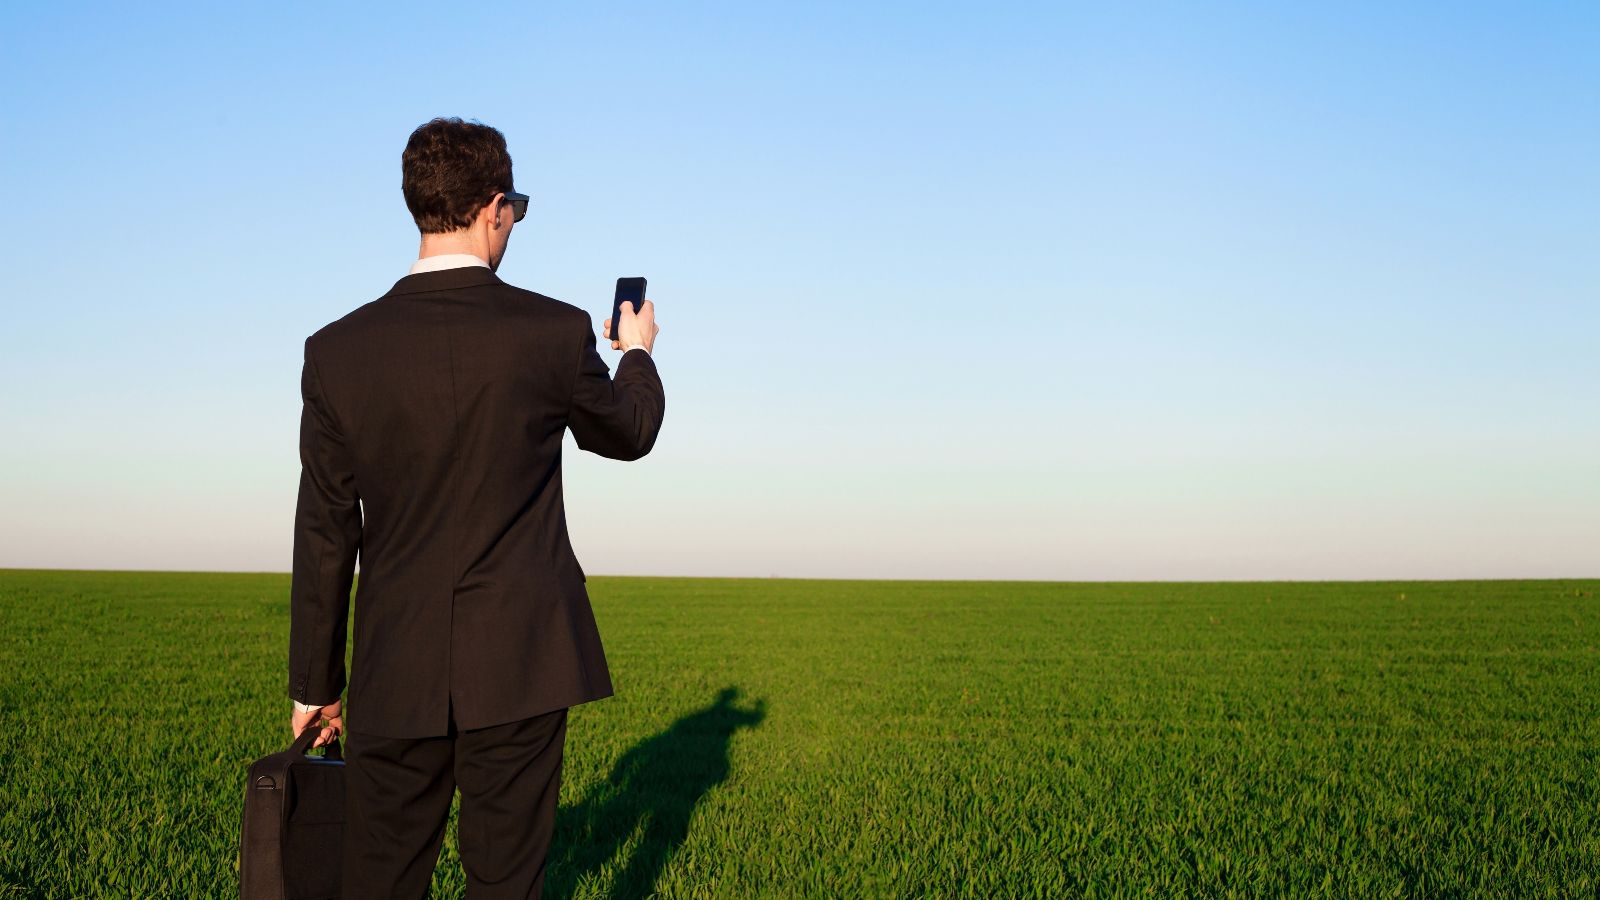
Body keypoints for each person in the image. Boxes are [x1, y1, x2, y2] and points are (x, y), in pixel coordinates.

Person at [285, 115, 665, 898]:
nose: (512, 223)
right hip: (523, 665)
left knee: (379, 882)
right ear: (494, 206)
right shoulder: (554, 332)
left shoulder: (336, 350)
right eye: (515, 209)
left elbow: (326, 530)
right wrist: (635, 354)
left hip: (396, 669)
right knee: (508, 883)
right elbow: (628, 434)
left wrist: (315, 685)